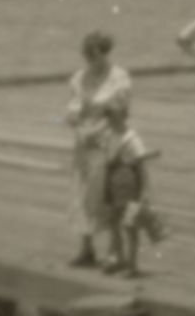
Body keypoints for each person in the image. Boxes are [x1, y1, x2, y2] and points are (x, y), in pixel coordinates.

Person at [67, 31, 132, 268]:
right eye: (86, 54)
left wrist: (97, 128)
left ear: (105, 52)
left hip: (109, 140)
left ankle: (115, 252)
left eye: (94, 54)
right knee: (82, 193)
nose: (90, 60)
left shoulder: (119, 78)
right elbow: (74, 109)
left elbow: (120, 113)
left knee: (109, 195)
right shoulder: (79, 78)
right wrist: (78, 125)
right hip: (84, 141)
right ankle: (86, 249)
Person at [95, 102, 161, 277]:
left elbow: (139, 164)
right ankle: (119, 258)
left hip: (129, 183)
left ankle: (133, 265)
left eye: (114, 117)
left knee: (130, 225)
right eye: (108, 117)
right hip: (112, 181)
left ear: (124, 117)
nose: (110, 121)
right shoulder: (108, 134)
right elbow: (104, 151)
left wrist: (144, 190)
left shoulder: (131, 137)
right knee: (113, 223)